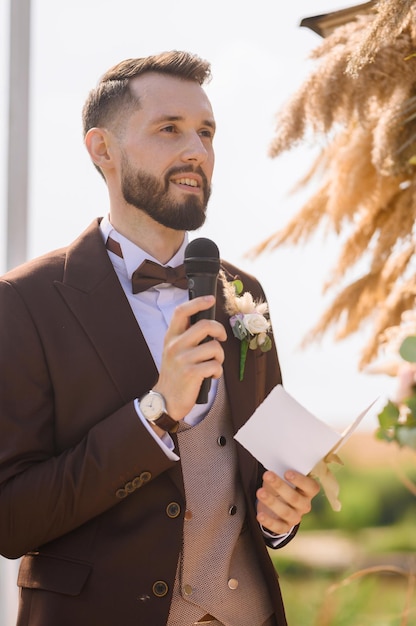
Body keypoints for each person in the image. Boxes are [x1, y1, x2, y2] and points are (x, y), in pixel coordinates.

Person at [0, 51, 319, 626]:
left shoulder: (247, 292)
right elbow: (11, 517)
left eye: (206, 132)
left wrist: (281, 516)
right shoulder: (24, 302)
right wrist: (154, 413)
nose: (196, 149)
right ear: (103, 150)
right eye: (169, 129)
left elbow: (257, 482)